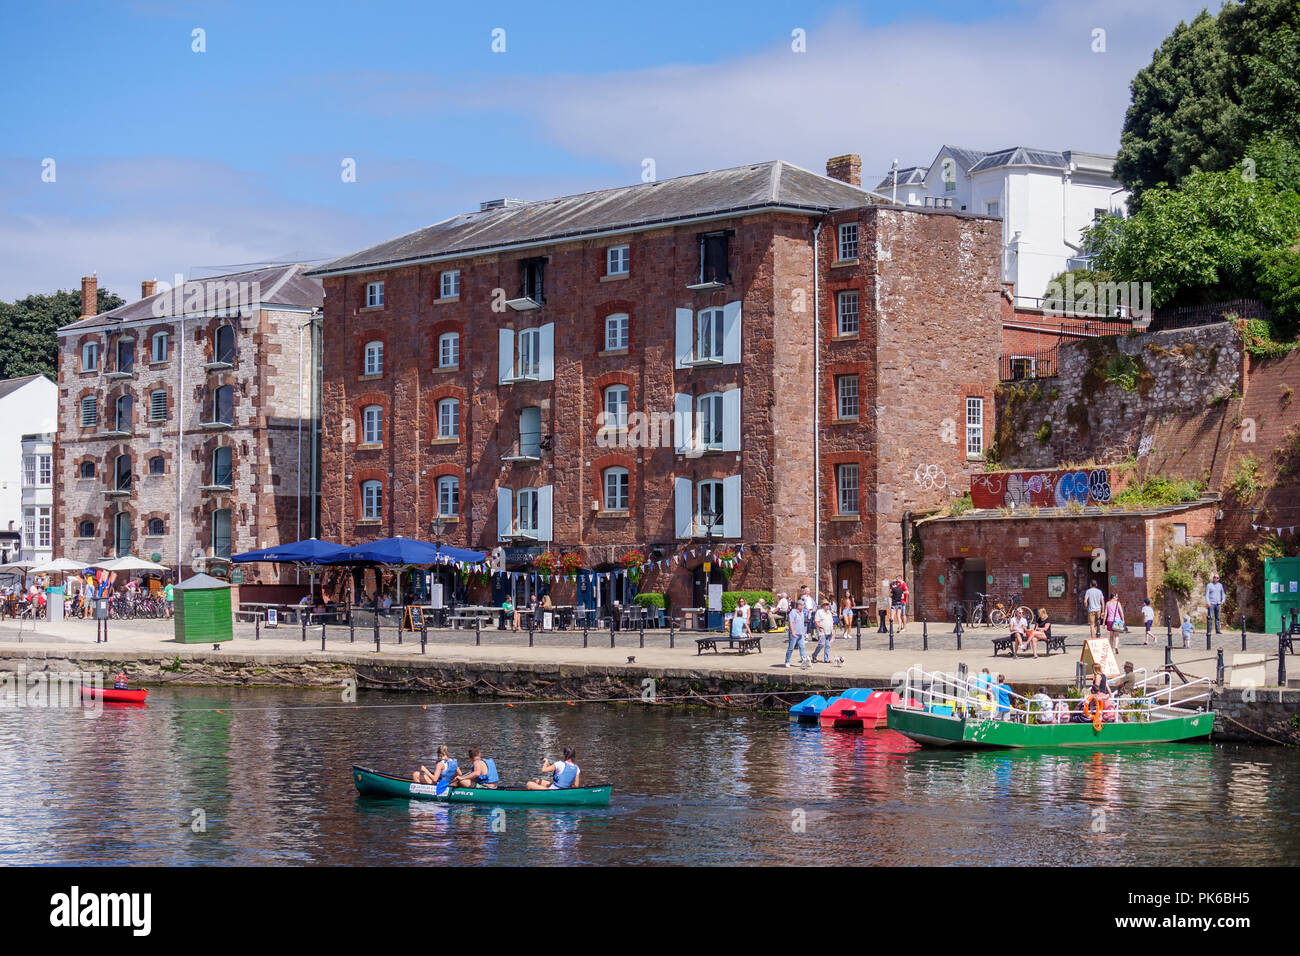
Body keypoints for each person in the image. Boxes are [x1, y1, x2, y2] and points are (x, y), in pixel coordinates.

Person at [784, 596, 809, 668]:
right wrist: (793, 632)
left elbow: (802, 624)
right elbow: (791, 623)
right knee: (791, 648)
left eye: (803, 605)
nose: (803, 607)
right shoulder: (793, 612)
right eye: (802, 605)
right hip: (794, 633)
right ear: (798, 605)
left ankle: (804, 661)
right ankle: (787, 661)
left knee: (802, 647)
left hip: (801, 633)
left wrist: (804, 633)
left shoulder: (802, 613)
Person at [810, 599, 835, 664]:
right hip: (822, 631)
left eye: (828, 605)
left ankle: (826, 659)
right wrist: (819, 627)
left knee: (828, 645)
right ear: (823, 605)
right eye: (826, 605)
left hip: (829, 631)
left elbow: (831, 622)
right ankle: (814, 655)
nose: (827, 606)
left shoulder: (829, 612)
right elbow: (816, 621)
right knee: (821, 644)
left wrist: (833, 630)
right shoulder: (819, 612)